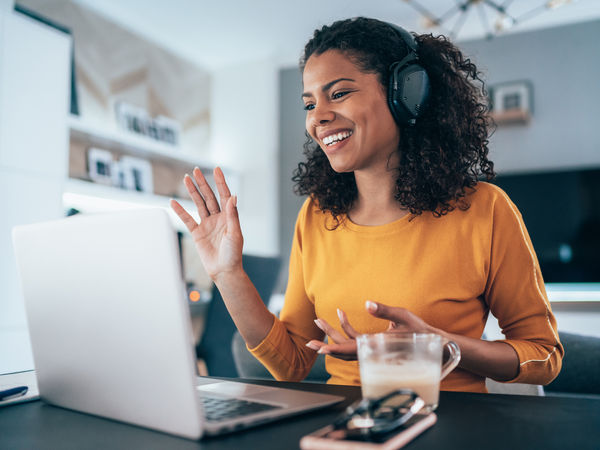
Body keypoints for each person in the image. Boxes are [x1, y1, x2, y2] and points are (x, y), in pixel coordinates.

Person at [170, 17, 563, 393]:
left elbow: (544, 357)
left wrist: (440, 345)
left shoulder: (485, 209)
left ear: (407, 93)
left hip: (450, 421)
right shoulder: (318, 215)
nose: (318, 118)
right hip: (346, 427)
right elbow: (291, 364)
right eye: (309, 104)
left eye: (338, 93)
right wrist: (228, 274)